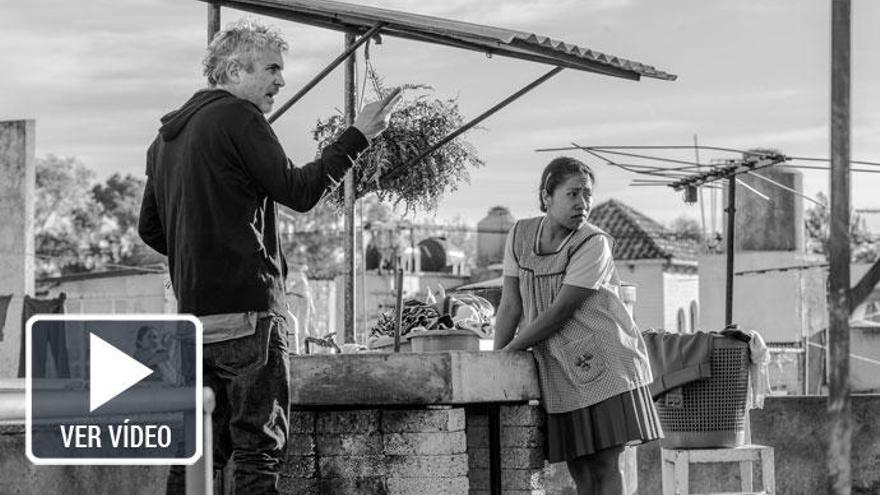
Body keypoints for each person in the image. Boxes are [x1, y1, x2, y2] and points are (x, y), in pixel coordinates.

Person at [138, 18, 400, 495]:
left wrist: (203, 256)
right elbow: (298, 191)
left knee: (194, 456)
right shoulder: (239, 118)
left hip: (196, 323)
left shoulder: (165, 141)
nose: (281, 81)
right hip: (248, 317)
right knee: (260, 451)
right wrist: (358, 135)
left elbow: (150, 229)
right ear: (235, 70)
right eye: (272, 69)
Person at [494, 157, 662, 495]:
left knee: (604, 464)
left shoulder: (593, 243)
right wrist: (496, 360)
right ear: (546, 196)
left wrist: (513, 349)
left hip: (606, 364)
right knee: (580, 471)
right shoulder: (519, 235)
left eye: (587, 195)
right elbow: (511, 305)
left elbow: (560, 312)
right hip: (559, 370)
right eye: (572, 194)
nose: (582, 204)